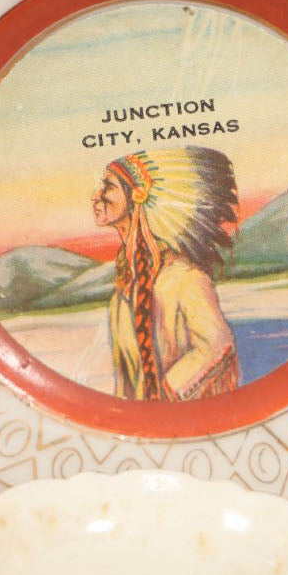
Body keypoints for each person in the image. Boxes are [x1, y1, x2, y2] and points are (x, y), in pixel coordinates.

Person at [91, 147, 239, 401]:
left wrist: (163, 395)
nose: (96, 196)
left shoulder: (185, 278)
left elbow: (216, 345)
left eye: (107, 186)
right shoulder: (125, 291)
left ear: (137, 196)